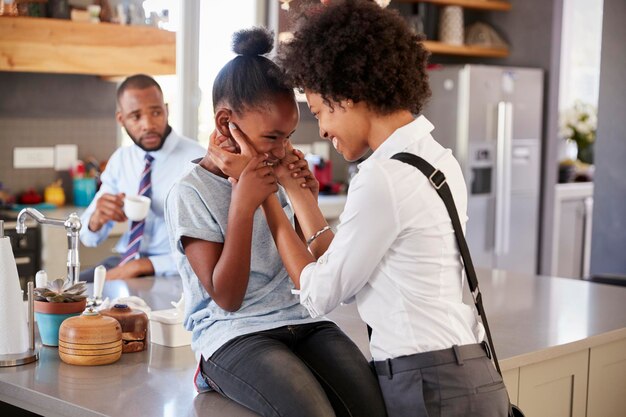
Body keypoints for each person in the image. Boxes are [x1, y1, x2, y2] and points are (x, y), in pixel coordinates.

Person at [230, 1, 509, 416]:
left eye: (321, 110)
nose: (322, 127)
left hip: (425, 384)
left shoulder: (383, 178)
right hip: (469, 372)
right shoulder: (435, 158)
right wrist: (299, 196)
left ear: (349, 94)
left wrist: (265, 198)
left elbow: (321, 294)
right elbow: (346, 274)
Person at [164, 28, 386, 417]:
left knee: (372, 407)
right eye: (272, 137)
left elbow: (301, 269)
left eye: (288, 136)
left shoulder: (271, 173)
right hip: (233, 335)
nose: (283, 150)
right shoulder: (190, 192)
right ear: (224, 123)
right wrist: (243, 204)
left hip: (300, 320)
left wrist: (304, 200)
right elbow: (227, 298)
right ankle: (210, 374)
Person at [79, 74, 205, 282]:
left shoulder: (197, 161)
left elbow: (213, 245)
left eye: (156, 112)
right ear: (121, 119)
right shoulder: (121, 159)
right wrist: (96, 220)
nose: (148, 125)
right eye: (136, 116)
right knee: (68, 294)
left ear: (166, 110)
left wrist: (143, 266)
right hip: (125, 260)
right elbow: (88, 238)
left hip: (175, 268)